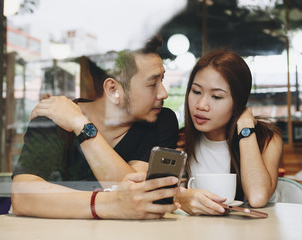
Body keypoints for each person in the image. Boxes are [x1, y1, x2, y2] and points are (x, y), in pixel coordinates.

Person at [11, 35, 181, 219]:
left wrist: (81, 125)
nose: (163, 93)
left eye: (162, 80)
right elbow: (22, 196)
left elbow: (140, 194)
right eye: (152, 84)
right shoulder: (54, 118)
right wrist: (109, 204)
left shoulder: (161, 120)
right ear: (113, 90)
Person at [176, 49, 283, 215]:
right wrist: (180, 198)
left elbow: (257, 197)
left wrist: (246, 126)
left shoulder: (267, 139)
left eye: (217, 97)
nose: (201, 105)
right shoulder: (180, 140)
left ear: (238, 102)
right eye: (196, 92)